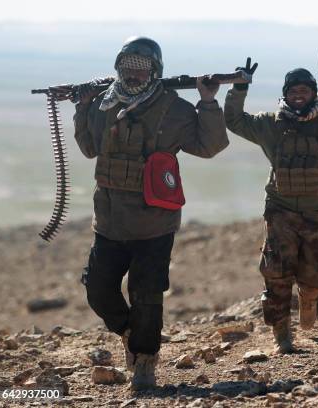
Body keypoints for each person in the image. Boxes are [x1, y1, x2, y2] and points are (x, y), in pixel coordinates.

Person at [73, 36, 229, 390]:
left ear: (156, 71)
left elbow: (210, 146)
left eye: (142, 68)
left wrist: (207, 103)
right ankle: (129, 333)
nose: (133, 74)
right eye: (127, 66)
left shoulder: (174, 108)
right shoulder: (103, 103)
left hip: (154, 223)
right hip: (110, 221)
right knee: (98, 289)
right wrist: (82, 108)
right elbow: (88, 148)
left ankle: (144, 362)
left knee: (146, 294)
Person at [224, 61, 318, 353]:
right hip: (281, 209)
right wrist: (239, 87)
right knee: (276, 273)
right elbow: (234, 120)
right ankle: (282, 335)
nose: (299, 95)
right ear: (285, 95)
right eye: (293, 91)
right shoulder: (271, 124)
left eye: (305, 90)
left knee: (314, 278)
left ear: (314, 93)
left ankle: (309, 301)